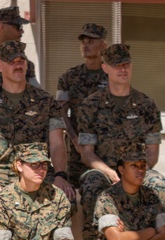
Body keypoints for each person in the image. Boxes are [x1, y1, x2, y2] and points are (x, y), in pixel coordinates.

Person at [78, 44, 165, 240]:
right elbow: (87, 153)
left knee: (159, 184)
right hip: (104, 169)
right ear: (105, 68)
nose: (123, 69)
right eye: (117, 65)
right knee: (91, 184)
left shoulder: (147, 105)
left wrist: (134, 171)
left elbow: (152, 153)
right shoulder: (91, 105)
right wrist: (110, 172)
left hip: (137, 168)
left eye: (126, 64)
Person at [0, 41, 73, 201]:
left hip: (38, 171)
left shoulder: (46, 101)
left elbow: (57, 144)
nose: (18, 66)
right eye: (11, 62)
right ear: (0, 66)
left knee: (64, 200)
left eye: (21, 61)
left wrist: (60, 175)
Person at [56, 23, 109, 192]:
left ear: (103, 45)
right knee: (75, 192)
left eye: (91, 41)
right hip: (77, 149)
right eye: (83, 41)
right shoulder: (69, 76)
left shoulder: (112, 75)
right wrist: (74, 139)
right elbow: (61, 111)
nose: (85, 45)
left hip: (106, 148)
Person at [0, 7, 37, 88]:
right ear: (1, 27)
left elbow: (35, 90)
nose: (22, 31)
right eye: (18, 27)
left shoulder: (23, 59)